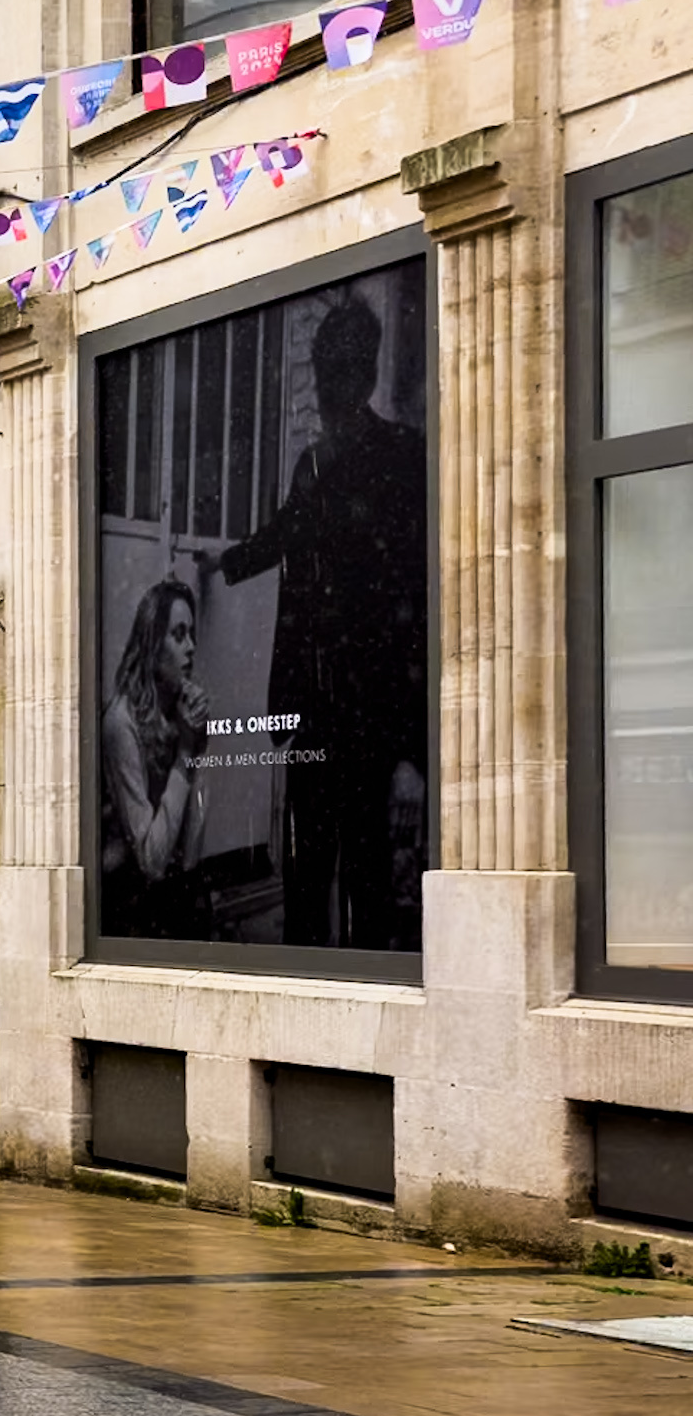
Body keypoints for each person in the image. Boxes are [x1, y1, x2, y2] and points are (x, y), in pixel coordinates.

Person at [213, 292, 429, 949]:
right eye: (326, 371)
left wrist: (409, 748)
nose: (331, 389)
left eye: (339, 372)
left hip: (369, 715)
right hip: (316, 710)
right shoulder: (316, 464)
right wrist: (226, 564)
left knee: (362, 878)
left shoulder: (401, 457)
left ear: (362, 375)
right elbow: (285, 535)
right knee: (312, 875)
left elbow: (415, 602)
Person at [102, 575, 212, 939]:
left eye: (192, 635)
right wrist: (186, 752)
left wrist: (198, 745)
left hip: (173, 896)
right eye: (178, 635)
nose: (191, 647)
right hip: (131, 911)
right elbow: (152, 861)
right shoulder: (121, 722)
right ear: (152, 645)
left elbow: (191, 852)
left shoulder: (177, 712)